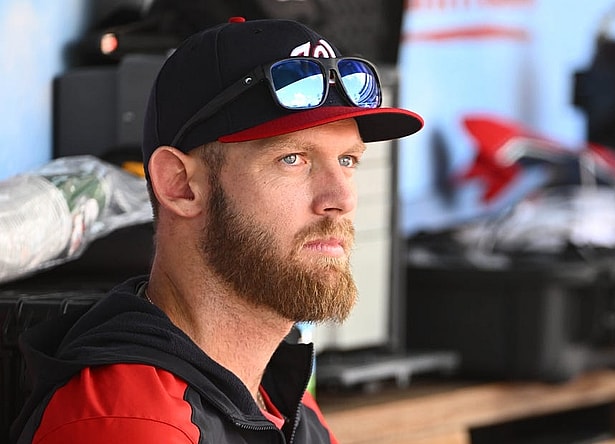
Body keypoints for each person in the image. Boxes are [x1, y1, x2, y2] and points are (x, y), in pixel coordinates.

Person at [11, 17, 423, 443]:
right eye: (293, 159)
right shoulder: (132, 424)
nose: (341, 198)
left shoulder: (273, 390)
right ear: (180, 185)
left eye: (348, 160)